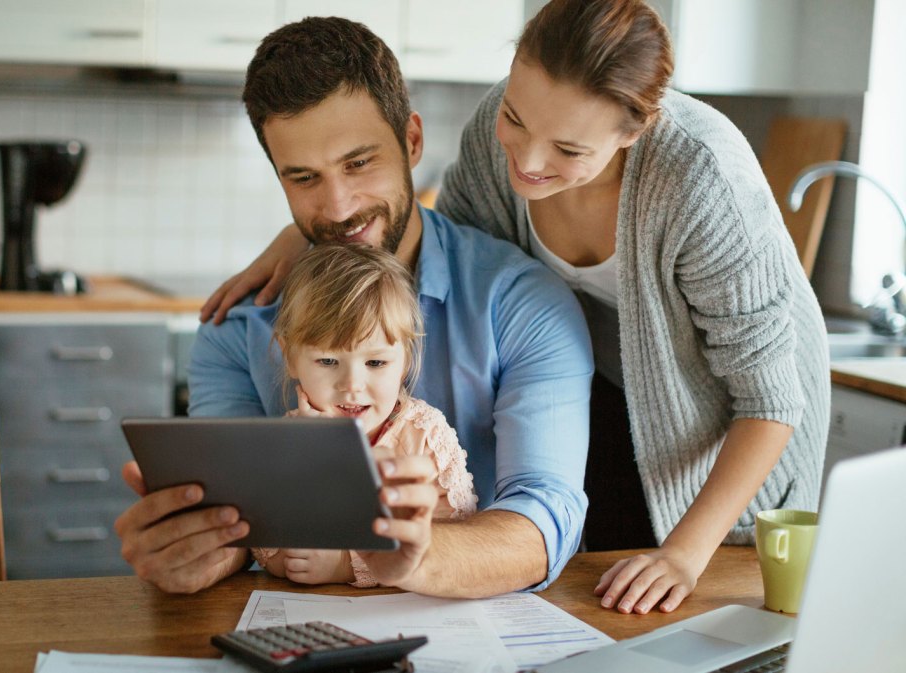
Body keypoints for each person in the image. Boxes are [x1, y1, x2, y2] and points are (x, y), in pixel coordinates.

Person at [199, 0, 830, 615]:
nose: (526, 164)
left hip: (733, 421)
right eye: (516, 119)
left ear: (634, 131)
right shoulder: (489, 139)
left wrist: (686, 554)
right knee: (602, 574)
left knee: (681, 595)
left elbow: (769, 400)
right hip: (602, 381)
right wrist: (319, 244)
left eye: (569, 151)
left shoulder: (701, 178)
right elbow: (445, 252)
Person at [114, 16, 595, 598]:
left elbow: (546, 518)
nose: (338, 206)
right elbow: (237, 522)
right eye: (304, 177)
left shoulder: (522, 304)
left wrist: (413, 558)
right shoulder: (238, 327)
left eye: (358, 163)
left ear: (412, 141)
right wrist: (196, 552)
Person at [253, 243, 477, 587]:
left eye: (376, 362)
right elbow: (266, 540)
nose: (352, 385)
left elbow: (454, 535)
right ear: (291, 357)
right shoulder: (285, 443)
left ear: (405, 359)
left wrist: (347, 565)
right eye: (328, 361)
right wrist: (287, 560)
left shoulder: (425, 435)